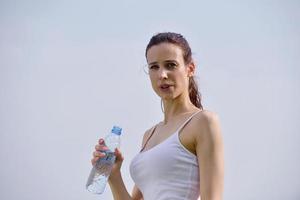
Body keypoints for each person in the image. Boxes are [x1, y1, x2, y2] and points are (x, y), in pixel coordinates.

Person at [91, 32, 224, 200]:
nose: (162, 75)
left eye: (171, 65)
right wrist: (113, 175)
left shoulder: (203, 122)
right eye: (154, 67)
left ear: (190, 68)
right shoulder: (149, 135)